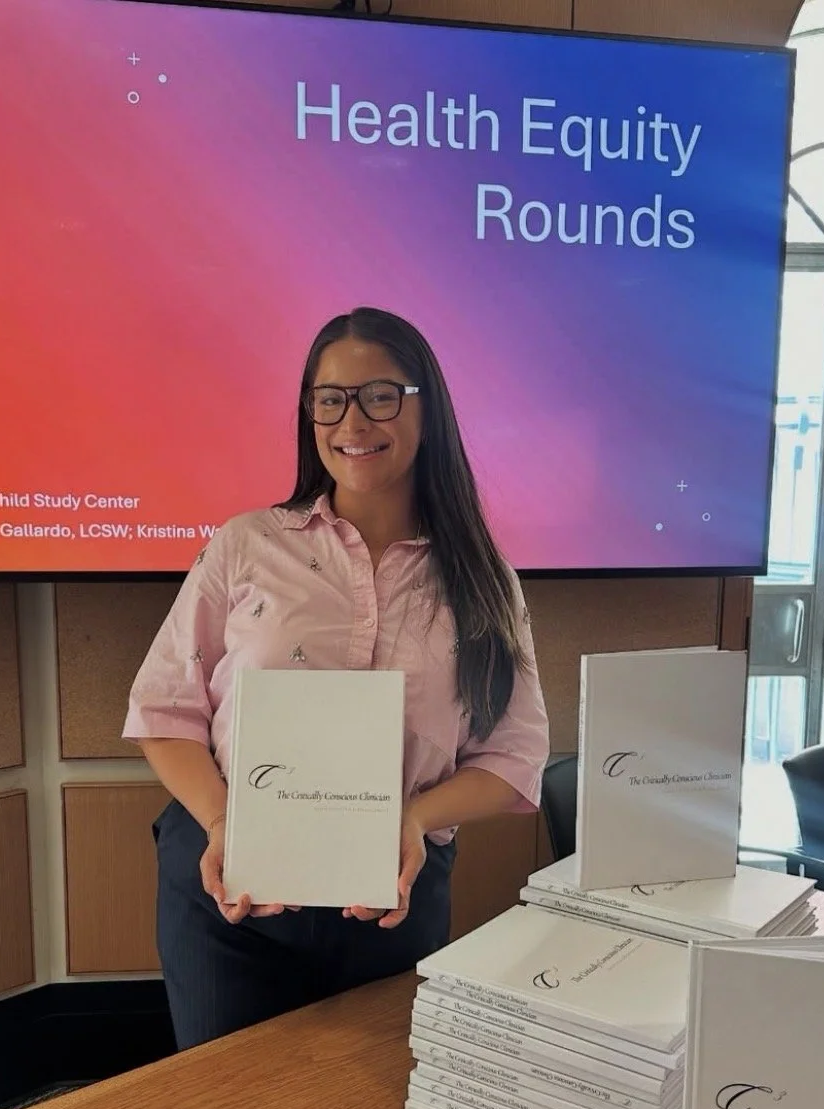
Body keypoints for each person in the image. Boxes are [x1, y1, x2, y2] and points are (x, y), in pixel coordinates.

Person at [122, 306, 550, 1051]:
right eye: (330, 399)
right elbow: (165, 711)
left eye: (380, 395)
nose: (352, 420)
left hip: (390, 887)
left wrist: (411, 818)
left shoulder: (483, 580)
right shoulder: (245, 544)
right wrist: (229, 824)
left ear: (427, 407)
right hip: (234, 890)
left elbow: (514, 760)